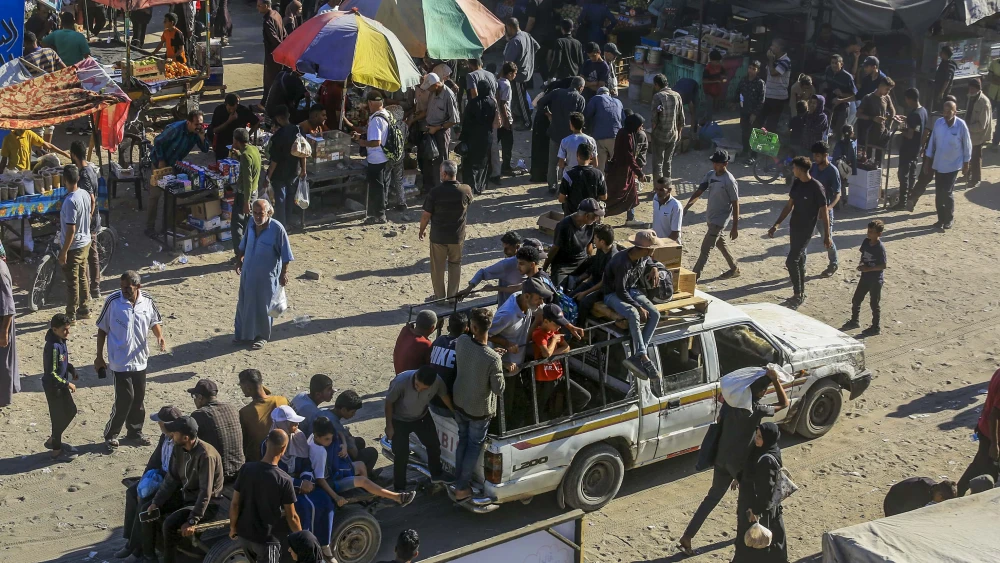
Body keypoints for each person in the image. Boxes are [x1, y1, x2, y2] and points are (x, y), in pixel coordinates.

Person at [679, 368, 788, 556]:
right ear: (760, 392)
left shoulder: (731, 404)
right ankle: (751, 534)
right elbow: (784, 403)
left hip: (721, 460)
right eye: (764, 389)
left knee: (711, 498)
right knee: (749, 502)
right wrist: (776, 380)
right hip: (741, 467)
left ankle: (688, 536)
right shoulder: (756, 409)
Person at [98, 271, 166, 450]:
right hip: (119, 360)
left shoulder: (148, 301)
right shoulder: (113, 301)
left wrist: (159, 336)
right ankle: (111, 434)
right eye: (122, 287)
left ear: (138, 287)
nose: (123, 291)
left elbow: (154, 321)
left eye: (127, 288)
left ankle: (135, 432)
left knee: (138, 398)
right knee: (125, 398)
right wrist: (99, 357)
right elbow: (102, 329)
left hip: (140, 359)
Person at [146, 416, 224, 563]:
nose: (171, 435)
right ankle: (149, 554)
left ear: (186, 437)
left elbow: (205, 492)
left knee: (169, 524)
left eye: (174, 433)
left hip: (206, 504)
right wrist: (156, 502)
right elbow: (172, 479)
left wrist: (192, 520)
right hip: (187, 495)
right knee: (149, 511)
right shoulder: (179, 448)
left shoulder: (206, 456)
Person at [451, 308, 505, 502]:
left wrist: (493, 355)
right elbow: (499, 389)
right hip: (478, 411)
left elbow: (474, 355)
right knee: (473, 447)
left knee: (462, 441)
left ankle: (457, 480)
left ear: (472, 327)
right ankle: (461, 487)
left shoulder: (462, 341)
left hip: (459, 402)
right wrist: (498, 361)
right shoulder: (493, 358)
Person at [118, 405, 183, 560]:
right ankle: (130, 540)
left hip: (174, 486)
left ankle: (145, 551)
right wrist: (143, 481)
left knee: (146, 506)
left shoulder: (180, 444)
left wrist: (156, 494)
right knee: (132, 492)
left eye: (160, 422)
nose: (158, 425)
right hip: (161, 476)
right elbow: (154, 461)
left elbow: (175, 477)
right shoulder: (165, 437)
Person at [310, 416, 416, 508]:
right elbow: (320, 480)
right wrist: (336, 497)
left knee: (361, 465)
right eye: (327, 439)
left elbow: (339, 434)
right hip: (332, 482)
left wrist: (344, 446)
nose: (330, 441)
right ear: (316, 435)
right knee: (363, 481)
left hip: (336, 469)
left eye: (331, 438)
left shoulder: (314, 437)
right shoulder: (320, 453)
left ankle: (368, 497)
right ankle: (397, 497)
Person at [768, 157, 832, 307]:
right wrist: (776, 224)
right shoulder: (796, 183)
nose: (792, 170)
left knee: (791, 260)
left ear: (801, 169)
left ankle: (797, 294)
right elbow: (789, 205)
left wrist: (827, 236)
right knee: (799, 259)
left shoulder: (817, 187)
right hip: (794, 227)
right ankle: (801, 292)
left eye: (794, 167)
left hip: (806, 230)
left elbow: (825, 213)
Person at [230, 429, 302, 562]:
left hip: (245, 536)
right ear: (283, 448)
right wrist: (302, 541)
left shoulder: (246, 469)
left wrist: (233, 527)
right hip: (267, 541)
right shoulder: (284, 479)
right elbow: (292, 517)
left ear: (267, 443)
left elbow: (235, 504)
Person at [601, 229, 663, 381]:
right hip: (613, 295)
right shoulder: (622, 262)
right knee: (633, 313)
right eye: (651, 248)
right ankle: (642, 355)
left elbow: (649, 261)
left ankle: (639, 355)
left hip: (632, 290)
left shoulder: (643, 256)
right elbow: (620, 291)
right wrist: (638, 306)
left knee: (655, 314)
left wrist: (654, 267)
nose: (653, 250)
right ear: (645, 249)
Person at [234, 199, 294, 350]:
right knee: (245, 304)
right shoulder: (251, 224)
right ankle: (243, 335)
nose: (257, 216)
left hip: (266, 276)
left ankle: (261, 336)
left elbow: (286, 255)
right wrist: (239, 261)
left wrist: (284, 273)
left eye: (260, 213)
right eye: (254, 213)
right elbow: (244, 244)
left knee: (263, 306)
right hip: (248, 272)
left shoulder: (277, 229)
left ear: (268, 212)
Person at [386, 366, 455, 491]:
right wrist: (389, 425)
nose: (419, 390)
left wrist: (454, 413)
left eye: (424, 389)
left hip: (421, 417)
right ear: (416, 375)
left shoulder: (437, 381)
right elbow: (389, 403)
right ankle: (399, 488)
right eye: (417, 386)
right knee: (401, 454)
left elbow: (444, 395)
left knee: (433, 445)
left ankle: (436, 474)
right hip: (399, 420)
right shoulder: (401, 381)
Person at [148, 111, 210, 236]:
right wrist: (161, 160)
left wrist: (203, 136)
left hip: (174, 165)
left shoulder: (197, 133)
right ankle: (150, 227)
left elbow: (205, 149)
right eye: (197, 124)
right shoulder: (175, 129)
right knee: (155, 196)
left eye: (201, 124)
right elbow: (158, 141)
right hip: (160, 164)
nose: (199, 126)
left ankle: (167, 227)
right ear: (189, 122)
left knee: (171, 196)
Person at [732, 423, 788, 563]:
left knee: (755, 542)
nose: (756, 439)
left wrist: (755, 511)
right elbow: (749, 468)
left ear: (768, 438)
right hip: (756, 504)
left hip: (758, 507)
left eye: (759, 437)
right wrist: (738, 478)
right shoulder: (762, 450)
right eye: (756, 435)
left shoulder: (767, 460)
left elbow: (765, 490)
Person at [420, 161, 474, 300]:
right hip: (457, 237)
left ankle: (439, 297)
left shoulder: (435, 192)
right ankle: (452, 297)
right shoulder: (466, 190)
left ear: (444, 174)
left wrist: (422, 229)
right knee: (455, 265)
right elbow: (469, 202)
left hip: (438, 237)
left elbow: (426, 215)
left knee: (438, 268)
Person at [684, 150, 740, 279]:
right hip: (711, 217)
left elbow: (736, 203)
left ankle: (694, 277)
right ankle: (734, 269)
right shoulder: (710, 175)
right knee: (721, 244)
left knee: (705, 249)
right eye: (714, 163)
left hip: (719, 221)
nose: (715, 166)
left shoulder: (729, 181)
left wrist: (735, 226)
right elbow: (699, 191)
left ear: (726, 163)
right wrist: (687, 205)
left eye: (718, 164)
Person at [531, 304, 591, 418]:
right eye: (556, 324)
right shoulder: (539, 334)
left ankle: (565, 417)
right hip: (544, 378)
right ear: (546, 321)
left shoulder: (555, 332)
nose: (559, 327)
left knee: (584, 396)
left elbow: (566, 348)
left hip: (558, 375)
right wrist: (554, 341)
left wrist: (552, 353)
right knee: (538, 408)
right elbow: (546, 353)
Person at [919, 100, 971, 229]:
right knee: (939, 192)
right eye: (945, 111)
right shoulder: (939, 123)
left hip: (953, 165)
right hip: (939, 164)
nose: (946, 114)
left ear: (955, 111)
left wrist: (966, 163)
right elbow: (932, 143)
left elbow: (967, 145)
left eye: (949, 111)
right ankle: (940, 219)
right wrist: (927, 162)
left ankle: (949, 218)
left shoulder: (961, 125)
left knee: (947, 192)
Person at [536, 77, 587, 194]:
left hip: (555, 132)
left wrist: (548, 114)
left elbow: (540, 103)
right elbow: (580, 119)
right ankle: (566, 186)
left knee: (553, 161)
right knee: (569, 162)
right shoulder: (580, 98)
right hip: (570, 136)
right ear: (581, 88)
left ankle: (552, 186)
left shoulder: (557, 92)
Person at [188, 378, 244, 481]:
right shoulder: (232, 408)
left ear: (200, 397)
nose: (194, 400)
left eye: (194, 396)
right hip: (239, 470)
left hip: (218, 474)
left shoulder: (199, 415)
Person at [957, 367, 1000, 496]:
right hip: (992, 435)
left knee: (982, 465)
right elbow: (995, 414)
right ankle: (959, 493)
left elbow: (989, 401)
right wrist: (994, 444)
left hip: (985, 429)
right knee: (982, 467)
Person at [58, 164, 93, 322]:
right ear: (77, 178)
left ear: (65, 180)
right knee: (82, 276)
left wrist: (64, 251)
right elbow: (93, 201)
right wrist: (88, 217)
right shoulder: (84, 193)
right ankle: (84, 309)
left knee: (72, 282)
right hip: (86, 242)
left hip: (75, 246)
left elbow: (71, 230)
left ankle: (71, 315)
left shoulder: (70, 201)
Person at [68, 142, 101, 300]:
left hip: (90, 221)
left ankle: (92, 288)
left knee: (88, 255)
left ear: (74, 155)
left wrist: (86, 222)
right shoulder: (90, 169)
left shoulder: (85, 174)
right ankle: (93, 288)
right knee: (91, 254)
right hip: (92, 220)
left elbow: (91, 200)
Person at [544, 198, 603, 286]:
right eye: (595, 216)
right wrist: (544, 269)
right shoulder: (564, 226)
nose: (597, 219)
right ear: (586, 216)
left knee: (601, 265)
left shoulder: (591, 225)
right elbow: (555, 248)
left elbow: (589, 245)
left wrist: (590, 261)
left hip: (582, 260)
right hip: (564, 264)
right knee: (558, 289)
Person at [460, 232, 529, 306]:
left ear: (517, 247)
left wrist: (469, 288)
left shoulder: (507, 263)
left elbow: (482, 272)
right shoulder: (527, 259)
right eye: (504, 247)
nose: (505, 251)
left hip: (508, 305)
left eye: (507, 248)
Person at [43, 313, 77, 459]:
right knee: (57, 418)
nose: (68, 333)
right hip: (54, 387)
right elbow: (51, 373)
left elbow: (63, 362)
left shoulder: (61, 341)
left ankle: (54, 439)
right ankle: (56, 450)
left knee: (71, 411)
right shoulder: (53, 346)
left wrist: (71, 369)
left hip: (60, 385)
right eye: (65, 330)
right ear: (55, 329)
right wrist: (67, 383)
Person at [266, 105, 307, 228]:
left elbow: (274, 160)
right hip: (294, 171)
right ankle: (287, 222)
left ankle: (281, 225)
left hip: (279, 173)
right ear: (288, 116)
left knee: (280, 199)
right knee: (290, 197)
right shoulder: (299, 130)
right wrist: (303, 169)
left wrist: (268, 177)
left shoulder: (278, 136)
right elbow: (303, 152)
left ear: (278, 119)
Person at [238, 368, 289, 463]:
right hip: (286, 456)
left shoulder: (245, 413)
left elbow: (244, 442)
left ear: (248, 388)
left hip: (262, 460)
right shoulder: (282, 400)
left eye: (241, 387)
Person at [420, 73, 460, 190]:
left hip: (441, 132)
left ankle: (441, 188)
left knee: (441, 161)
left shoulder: (448, 95)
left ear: (436, 85)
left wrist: (438, 128)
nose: (428, 90)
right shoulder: (433, 92)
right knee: (427, 159)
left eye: (430, 87)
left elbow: (454, 120)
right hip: (430, 130)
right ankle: (429, 187)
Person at [571, 224, 617, 327]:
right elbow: (594, 270)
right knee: (571, 296)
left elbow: (604, 282)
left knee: (584, 302)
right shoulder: (601, 250)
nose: (593, 241)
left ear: (602, 242)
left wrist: (585, 292)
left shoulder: (613, 258)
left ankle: (580, 328)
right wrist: (579, 280)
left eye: (595, 238)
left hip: (604, 289)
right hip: (594, 282)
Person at [604, 113, 645, 224]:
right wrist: (639, 172)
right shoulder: (626, 135)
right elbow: (629, 156)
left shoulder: (625, 132)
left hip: (625, 171)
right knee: (615, 195)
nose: (640, 128)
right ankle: (600, 213)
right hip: (621, 171)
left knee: (631, 194)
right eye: (639, 126)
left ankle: (630, 218)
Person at [328, 390, 379, 476]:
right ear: (343, 410)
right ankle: (366, 477)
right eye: (352, 412)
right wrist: (350, 439)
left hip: (332, 450)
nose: (354, 415)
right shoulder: (336, 425)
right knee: (372, 452)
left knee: (360, 441)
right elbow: (354, 453)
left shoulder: (327, 413)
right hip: (335, 461)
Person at [459, 80, 498, 195]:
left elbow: (466, 121)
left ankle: (471, 186)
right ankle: (480, 186)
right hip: (487, 136)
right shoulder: (492, 102)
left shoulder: (472, 103)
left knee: (469, 162)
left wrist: (463, 136)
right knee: (483, 162)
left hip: (472, 136)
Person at [891, 89, 927, 211]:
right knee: (912, 174)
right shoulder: (923, 111)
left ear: (909, 99)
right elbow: (917, 128)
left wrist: (899, 125)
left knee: (903, 175)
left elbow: (910, 134)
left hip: (907, 149)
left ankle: (902, 202)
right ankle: (909, 198)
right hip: (916, 148)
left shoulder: (914, 115)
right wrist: (906, 119)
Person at [809, 142, 840, 277]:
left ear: (825, 155)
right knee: (804, 238)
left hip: (824, 213)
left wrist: (828, 208)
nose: (815, 158)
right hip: (811, 210)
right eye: (814, 155)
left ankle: (833, 263)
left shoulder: (833, 171)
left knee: (827, 239)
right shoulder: (813, 168)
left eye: (818, 155)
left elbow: (838, 194)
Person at [502, 18, 538, 130]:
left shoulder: (515, 41)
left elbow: (508, 62)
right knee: (518, 97)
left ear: (510, 27)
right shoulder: (526, 35)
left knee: (520, 99)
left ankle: (527, 122)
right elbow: (536, 47)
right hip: (527, 71)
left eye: (506, 28)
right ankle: (519, 116)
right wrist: (527, 58)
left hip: (518, 75)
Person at [230, 128, 261, 257]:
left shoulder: (245, 156)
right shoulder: (254, 149)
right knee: (250, 225)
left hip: (245, 194)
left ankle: (240, 255)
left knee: (237, 225)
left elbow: (248, 180)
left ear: (236, 141)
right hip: (255, 192)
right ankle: (251, 253)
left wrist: (246, 202)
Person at [649, 74, 685, 183]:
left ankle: (657, 187)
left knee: (658, 163)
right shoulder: (677, 95)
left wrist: (652, 132)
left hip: (660, 134)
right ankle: (667, 186)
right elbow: (681, 118)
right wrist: (679, 133)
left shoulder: (657, 96)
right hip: (673, 135)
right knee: (668, 162)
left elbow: (654, 118)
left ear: (656, 84)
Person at [559, 144, 608, 215]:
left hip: (573, 215)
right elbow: (604, 197)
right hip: (591, 215)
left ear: (577, 155)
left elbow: (561, 199)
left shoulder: (568, 175)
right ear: (591, 156)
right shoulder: (599, 174)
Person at [208, 93, 259, 160]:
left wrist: (247, 136)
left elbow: (256, 122)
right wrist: (229, 121)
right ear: (225, 104)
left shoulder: (243, 110)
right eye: (229, 109)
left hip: (239, 143)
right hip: (223, 143)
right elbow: (214, 130)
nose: (232, 111)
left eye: (234, 108)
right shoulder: (219, 110)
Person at [856, 76, 895, 164]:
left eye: (890, 90)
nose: (888, 92)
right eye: (887, 89)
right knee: (866, 160)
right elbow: (858, 114)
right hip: (868, 133)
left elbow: (893, 111)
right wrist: (873, 118)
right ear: (881, 86)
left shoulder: (887, 98)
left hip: (881, 133)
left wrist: (889, 126)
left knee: (879, 161)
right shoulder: (868, 98)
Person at [584, 86, 624, 168]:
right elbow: (623, 119)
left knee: (599, 165)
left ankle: (600, 179)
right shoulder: (618, 101)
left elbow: (587, 115)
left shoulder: (595, 98)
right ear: (608, 94)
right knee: (617, 164)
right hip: (615, 136)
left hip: (599, 137)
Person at [258, 0, 287, 110]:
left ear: (266, 6)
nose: (258, 8)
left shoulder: (267, 20)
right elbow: (284, 33)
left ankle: (267, 104)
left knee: (270, 80)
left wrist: (280, 50)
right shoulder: (277, 14)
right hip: (279, 54)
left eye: (259, 6)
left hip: (273, 56)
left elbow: (274, 40)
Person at [0, 128, 69, 173]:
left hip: (26, 171)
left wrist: (66, 154)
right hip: (13, 172)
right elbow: (4, 159)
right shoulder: (8, 139)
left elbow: (48, 145)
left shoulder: (29, 133)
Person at [557, 112, 599, 185]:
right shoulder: (591, 140)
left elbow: (561, 164)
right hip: (587, 176)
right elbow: (595, 163)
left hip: (569, 177)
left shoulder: (565, 141)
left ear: (571, 125)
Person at [965, 78, 992, 189]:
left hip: (977, 135)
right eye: (970, 88)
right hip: (969, 133)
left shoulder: (983, 102)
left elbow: (982, 125)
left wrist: (967, 127)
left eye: (972, 88)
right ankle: (967, 175)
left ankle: (976, 179)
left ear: (977, 89)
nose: (970, 90)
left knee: (976, 157)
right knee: (968, 155)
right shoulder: (971, 97)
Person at [736, 60, 764, 163]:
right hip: (744, 111)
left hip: (755, 114)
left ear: (758, 71)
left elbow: (761, 100)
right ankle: (745, 151)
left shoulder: (760, 83)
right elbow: (738, 93)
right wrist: (735, 103)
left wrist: (755, 114)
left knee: (754, 134)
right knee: (745, 132)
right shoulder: (743, 80)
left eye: (754, 69)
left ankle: (753, 156)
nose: (751, 71)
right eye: (750, 68)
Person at [760, 39, 791, 133]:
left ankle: (768, 146)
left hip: (777, 97)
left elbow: (773, 73)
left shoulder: (786, 61)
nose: (771, 47)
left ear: (779, 48)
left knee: (771, 124)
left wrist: (770, 60)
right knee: (760, 120)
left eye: (773, 46)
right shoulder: (774, 59)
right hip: (768, 95)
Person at [883, 477, 957, 517]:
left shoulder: (933, 487)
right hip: (893, 504)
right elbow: (908, 516)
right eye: (941, 501)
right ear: (940, 496)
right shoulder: (919, 497)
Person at [393, 310, 437, 374]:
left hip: (399, 377)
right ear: (432, 328)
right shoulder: (425, 344)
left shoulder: (405, 331)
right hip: (411, 381)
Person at [824, 54, 858, 139]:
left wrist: (842, 94)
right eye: (832, 63)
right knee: (825, 129)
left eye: (836, 63)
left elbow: (854, 95)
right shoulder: (828, 70)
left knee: (839, 133)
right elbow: (826, 84)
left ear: (841, 64)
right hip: (829, 104)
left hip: (842, 106)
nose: (834, 65)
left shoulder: (847, 77)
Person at [496, 62, 518, 176]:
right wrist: (506, 120)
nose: (515, 76)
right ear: (510, 73)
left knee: (496, 143)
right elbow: (503, 103)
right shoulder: (507, 85)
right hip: (504, 119)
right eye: (515, 74)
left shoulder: (498, 81)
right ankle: (506, 167)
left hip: (497, 118)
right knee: (508, 144)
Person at [0, 256, 14, 408]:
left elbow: (9, 307)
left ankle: (3, 398)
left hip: (3, 322)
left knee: (3, 363)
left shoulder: (0, 271)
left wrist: (4, 331)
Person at [652, 177, 682, 242]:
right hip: (657, 242)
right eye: (656, 189)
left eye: (661, 190)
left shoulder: (676, 206)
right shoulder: (655, 198)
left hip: (669, 245)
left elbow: (675, 233)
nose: (658, 192)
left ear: (669, 190)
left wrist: (663, 244)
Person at [934, 46, 957, 112]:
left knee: (941, 107)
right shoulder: (943, 62)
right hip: (938, 87)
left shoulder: (949, 65)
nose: (940, 53)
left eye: (942, 52)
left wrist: (942, 92)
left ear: (946, 54)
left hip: (943, 91)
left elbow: (947, 80)